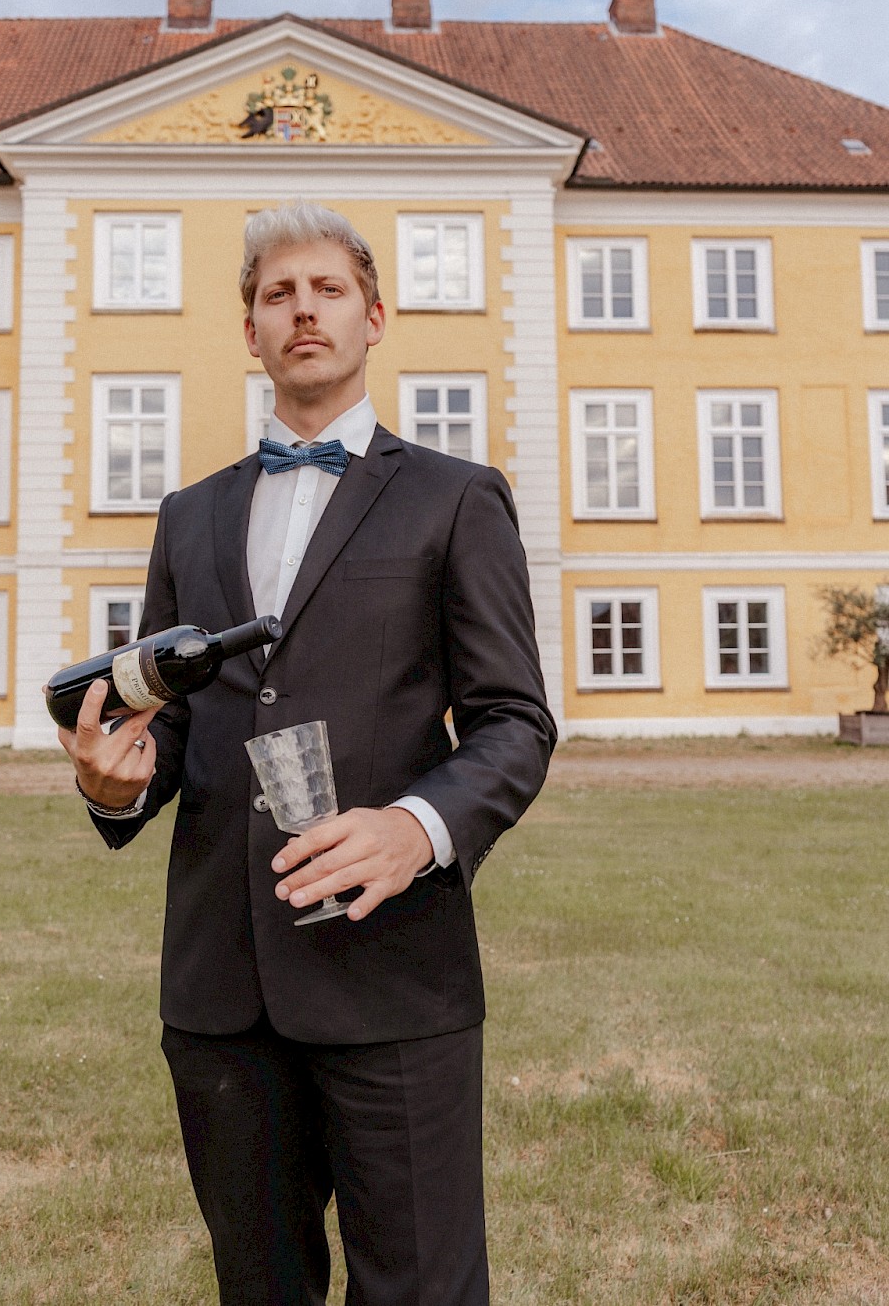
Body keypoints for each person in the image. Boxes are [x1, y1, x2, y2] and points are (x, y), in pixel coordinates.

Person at [57, 203, 556, 1305]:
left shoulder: (455, 497)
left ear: (374, 317)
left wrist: (412, 827)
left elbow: (515, 721)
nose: (302, 310)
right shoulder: (188, 516)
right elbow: (164, 724)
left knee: (420, 1285)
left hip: (395, 976)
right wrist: (112, 788)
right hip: (221, 991)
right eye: (277, 295)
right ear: (250, 333)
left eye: (326, 290)